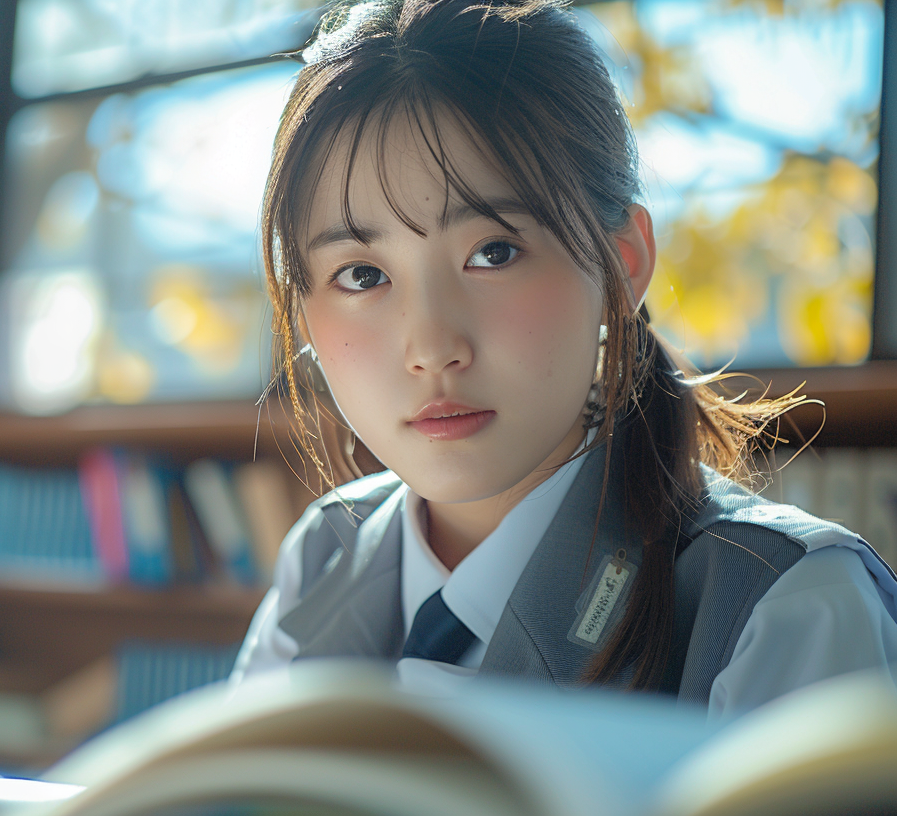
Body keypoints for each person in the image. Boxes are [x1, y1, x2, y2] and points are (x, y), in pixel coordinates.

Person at [232, 0, 897, 717]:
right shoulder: (327, 553)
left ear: (622, 262)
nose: (431, 349)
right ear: (303, 312)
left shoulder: (785, 605)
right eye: (362, 276)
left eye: (493, 253)